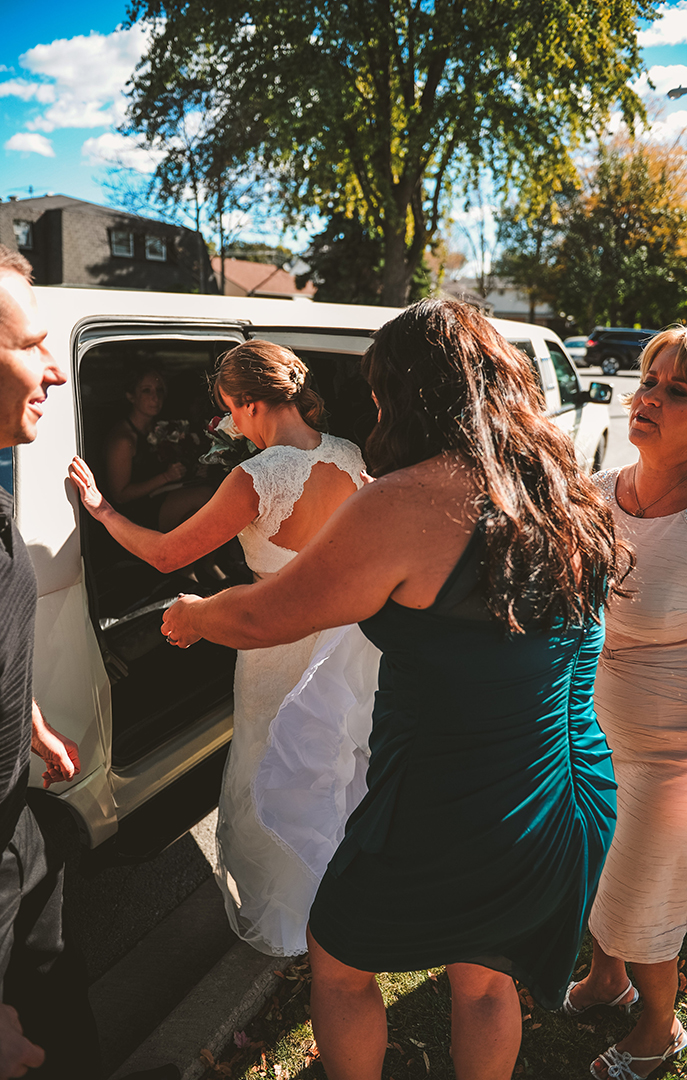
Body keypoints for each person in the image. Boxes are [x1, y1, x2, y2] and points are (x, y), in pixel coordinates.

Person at [160, 298, 630, 1080]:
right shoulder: (561, 489)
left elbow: (268, 614)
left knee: (338, 958)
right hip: (563, 789)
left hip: (449, 801)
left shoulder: (410, 499)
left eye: (379, 395)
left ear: (404, 395)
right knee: (483, 980)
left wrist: (195, 613)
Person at [69, 339, 370, 956]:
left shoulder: (255, 477)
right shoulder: (347, 454)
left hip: (273, 642)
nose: (231, 423)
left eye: (231, 409)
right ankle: (338, 892)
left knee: (271, 767)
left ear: (251, 404)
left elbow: (166, 554)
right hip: (339, 637)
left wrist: (103, 511)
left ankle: (288, 910)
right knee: (329, 758)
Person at [0, 238, 181, 1080]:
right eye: (29, 346)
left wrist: (23, 718)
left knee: (59, 1006)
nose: (55, 374)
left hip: (14, 830)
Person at [563, 326, 687, 1080]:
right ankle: (605, 979)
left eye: (677, 391)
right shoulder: (597, 491)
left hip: (673, 746)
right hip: (589, 723)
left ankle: (658, 1025)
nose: (648, 397)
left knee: (643, 889)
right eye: (648, 380)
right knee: (597, 867)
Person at [104, 364, 211, 532]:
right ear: (131, 396)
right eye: (146, 390)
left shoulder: (161, 428)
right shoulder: (123, 440)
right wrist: (166, 477)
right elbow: (119, 495)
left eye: (159, 390)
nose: (155, 398)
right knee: (206, 497)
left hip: (162, 497)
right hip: (136, 513)